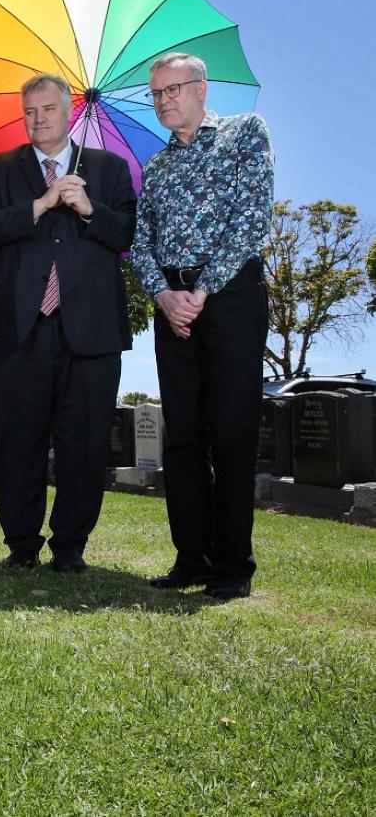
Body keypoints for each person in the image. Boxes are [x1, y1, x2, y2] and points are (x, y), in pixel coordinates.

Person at [0, 72, 136, 572]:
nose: (37, 119)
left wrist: (89, 209)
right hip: (15, 328)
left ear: (69, 112)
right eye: (29, 111)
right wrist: (41, 204)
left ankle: (71, 545)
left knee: (83, 443)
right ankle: (20, 545)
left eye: (47, 109)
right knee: (18, 440)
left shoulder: (109, 169)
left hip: (90, 329)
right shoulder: (0, 170)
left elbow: (127, 230)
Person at [131, 53, 273, 600]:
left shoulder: (244, 134)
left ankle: (233, 566)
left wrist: (203, 291)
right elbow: (140, 243)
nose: (165, 100)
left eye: (173, 89)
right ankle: (191, 558)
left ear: (201, 86)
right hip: (173, 306)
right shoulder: (157, 167)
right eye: (157, 94)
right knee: (183, 437)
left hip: (231, 294)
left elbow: (253, 216)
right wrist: (165, 295)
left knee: (232, 433)